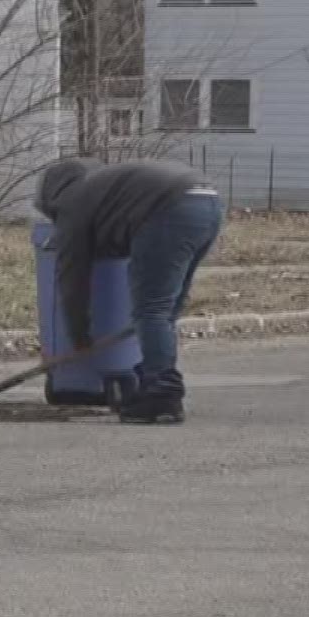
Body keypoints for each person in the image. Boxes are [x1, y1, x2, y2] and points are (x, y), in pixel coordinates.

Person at [35, 157, 224, 425]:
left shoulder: (72, 203)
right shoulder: (103, 188)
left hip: (169, 208)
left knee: (152, 309)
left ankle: (162, 395)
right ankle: (155, 379)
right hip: (208, 202)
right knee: (165, 309)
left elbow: (72, 280)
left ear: (50, 194)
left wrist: (79, 340)